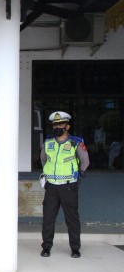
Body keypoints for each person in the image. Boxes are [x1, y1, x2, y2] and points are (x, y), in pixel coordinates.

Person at [40, 111, 90, 258]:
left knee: (72, 218)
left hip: (68, 186)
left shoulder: (75, 142)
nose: (57, 127)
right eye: (55, 125)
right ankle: (46, 247)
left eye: (61, 124)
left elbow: (85, 162)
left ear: (67, 126)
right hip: (51, 187)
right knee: (48, 218)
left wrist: (77, 173)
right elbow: (44, 160)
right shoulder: (48, 142)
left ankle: (75, 248)